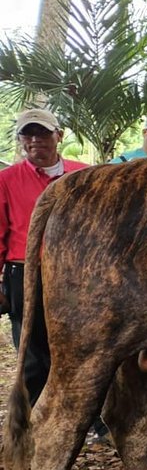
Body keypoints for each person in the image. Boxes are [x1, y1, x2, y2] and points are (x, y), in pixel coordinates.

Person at [0, 109, 89, 404]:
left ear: (58, 136)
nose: (35, 139)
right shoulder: (6, 180)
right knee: (33, 355)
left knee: (77, 345)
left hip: (74, 273)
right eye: (28, 134)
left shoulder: (84, 174)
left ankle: (81, 413)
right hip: (26, 273)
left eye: (42, 132)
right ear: (21, 140)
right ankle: (35, 417)